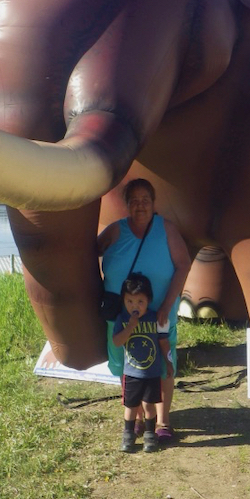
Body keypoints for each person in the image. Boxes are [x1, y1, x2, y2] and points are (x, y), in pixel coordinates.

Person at [98, 178, 191, 442]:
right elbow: (88, 251)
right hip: (120, 315)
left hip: (159, 315)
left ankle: (162, 422)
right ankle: (136, 418)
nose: (140, 206)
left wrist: (165, 305)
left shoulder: (167, 229)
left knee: (163, 364)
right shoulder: (115, 230)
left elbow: (183, 265)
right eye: (135, 201)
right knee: (125, 364)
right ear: (127, 204)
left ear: (153, 203)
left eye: (145, 200)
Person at [112, 274, 173, 453]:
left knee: (149, 405)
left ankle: (149, 435)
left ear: (149, 300)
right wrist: (130, 326)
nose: (134, 306)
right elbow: (117, 342)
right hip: (131, 374)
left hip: (152, 374)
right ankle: (128, 435)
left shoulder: (157, 319)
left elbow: (164, 342)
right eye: (129, 301)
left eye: (140, 301)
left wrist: (168, 362)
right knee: (130, 406)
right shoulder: (122, 319)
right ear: (123, 300)